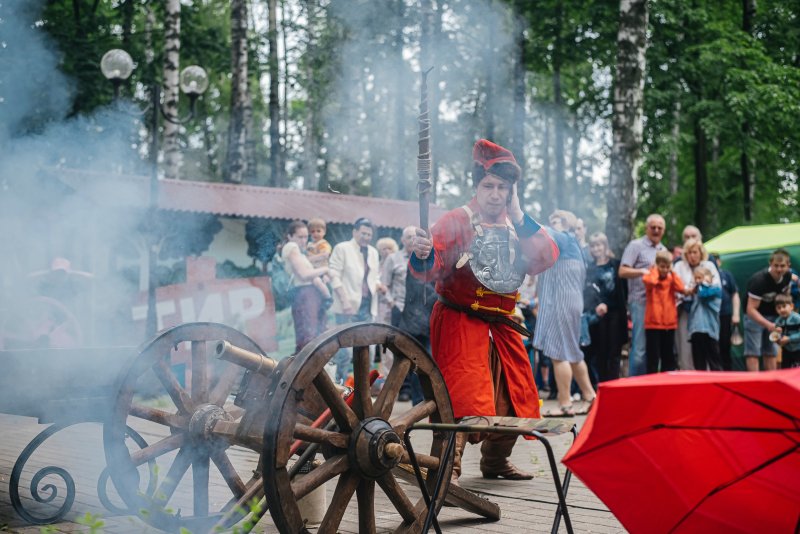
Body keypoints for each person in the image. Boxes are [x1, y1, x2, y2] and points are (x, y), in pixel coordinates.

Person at [409, 138, 558, 482]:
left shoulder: (518, 224)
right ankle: (448, 466)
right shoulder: (456, 220)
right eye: (488, 186)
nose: (494, 193)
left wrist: (519, 214)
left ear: (511, 192)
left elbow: (545, 258)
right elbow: (431, 266)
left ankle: (495, 460)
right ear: (477, 186)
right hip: (461, 320)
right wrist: (423, 252)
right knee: (463, 397)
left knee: (514, 395)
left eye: (502, 187)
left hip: (503, 325)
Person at [534, 209, 596, 417]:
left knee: (559, 353)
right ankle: (590, 397)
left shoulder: (564, 238)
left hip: (562, 300)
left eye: (557, 220)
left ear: (567, 224)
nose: (552, 224)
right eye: (552, 220)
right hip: (571, 301)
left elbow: (542, 232)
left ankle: (565, 402)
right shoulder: (573, 244)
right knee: (572, 352)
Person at [328, 217, 381, 383]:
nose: (366, 237)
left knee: (368, 348)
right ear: (355, 232)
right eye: (363, 233)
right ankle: (340, 387)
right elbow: (333, 275)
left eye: (369, 234)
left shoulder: (373, 252)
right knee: (345, 350)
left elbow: (374, 277)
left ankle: (363, 387)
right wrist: (344, 301)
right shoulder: (342, 248)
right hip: (348, 306)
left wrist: (380, 285)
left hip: (367, 307)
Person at [619, 214, 667, 376]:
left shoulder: (664, 250)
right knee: (639, 347)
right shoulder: (636, 246)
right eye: (653, 227)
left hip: (659, 306)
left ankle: (649, 385)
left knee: (655, 348)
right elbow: (622, 271)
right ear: (647, 228)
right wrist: (643, 271)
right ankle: (634, 385)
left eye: (659, 228)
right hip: (640, 302)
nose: (656, 230)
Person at [281, 220, 331, 354]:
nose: (304, 240)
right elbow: (304, 275)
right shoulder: (291, 247)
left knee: (317, 334)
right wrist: (325, 269)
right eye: (300, 237)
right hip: (305, 295)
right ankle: (306, 371)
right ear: (290, 237)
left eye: (305, 237)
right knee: (308, 337)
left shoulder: (301, 253)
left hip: (312, 295)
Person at [585, 232, 627, 382]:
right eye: (593, 246)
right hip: (597, 314)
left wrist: (612, 305)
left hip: (615, 312)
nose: (596, 249)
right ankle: (603, 385)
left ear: (605, 246)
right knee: (600, 351)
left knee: (614, 351)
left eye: (599, 245)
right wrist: (596, 305)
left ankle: (614, 384)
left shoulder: (616, 264)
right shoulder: (589, 268)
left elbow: (622, 289)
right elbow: (588, 290)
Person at [673, 239, 721, 370]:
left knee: (711, 349)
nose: (692, 256)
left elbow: (716, 288)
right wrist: (687, 292)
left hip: (707, 314)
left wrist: (698, 290)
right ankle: (688, 375)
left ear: (700, 253)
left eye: (695, 252)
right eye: (689, 253)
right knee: (687, 347)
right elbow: (676, 289)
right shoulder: (679, 266)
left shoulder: (709, 265)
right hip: (686, 312)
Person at [744, 248, 794, 372]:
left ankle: (771, 382)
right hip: (755, 317)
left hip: (774, 317)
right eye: (776, 265)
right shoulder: (759, 281)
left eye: (782, 266)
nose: (779, 269)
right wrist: (768, 325)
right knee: (753, 351)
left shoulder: (788, 276)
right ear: (770, 264)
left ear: (788, 266)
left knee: (771, 351)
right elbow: (750, 309)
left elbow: (785, 297)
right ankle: (754, 383)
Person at [381, 227, 416, 401]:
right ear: (402, 240)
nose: (412, 240)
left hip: (417, 312)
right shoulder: (392, 259)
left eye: (415, 237)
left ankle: (418, 389)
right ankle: (404, 388)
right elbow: (384, 284)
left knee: (416, 349)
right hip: (399, 309)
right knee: (400, 349)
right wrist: (391, 302)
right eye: (409, 237)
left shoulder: (421, 258)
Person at [642, 250, 685, 374]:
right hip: (653, 323)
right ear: (656, 265)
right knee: (653, 357)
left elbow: (681, 288)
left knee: (668, 356)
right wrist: (655, 270)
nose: (665, 270)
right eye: (662, 266)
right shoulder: (650, 275)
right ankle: (651, 384)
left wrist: (672, 272)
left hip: (669, 323)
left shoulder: (671, 279)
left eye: (667, 267)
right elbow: (651, 282)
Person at [688, 266, 723, 371]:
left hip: (710, 331)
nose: (698, 281)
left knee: (714, 361)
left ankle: (718, 384)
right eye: (696, 278)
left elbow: (704, 294)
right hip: (696, 330)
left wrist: (703, 284)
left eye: (701, 277)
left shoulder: (715, 289)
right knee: (698, 362)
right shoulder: (697, 292)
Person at [711, 253, 741, 370]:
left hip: (725, 314)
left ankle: (727, 371)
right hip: (711, 316)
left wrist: (736, 314)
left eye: (716, 259)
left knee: (725, 344)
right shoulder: (706, 275)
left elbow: (735, 294)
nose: (714, 262)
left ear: (720, 261)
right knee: (713, 345)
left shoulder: (726, 275)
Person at [306, 217, 334, 300]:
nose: (315, 234)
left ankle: (327, 297)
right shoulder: (309, 244)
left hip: (321, 268)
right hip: (312, 269)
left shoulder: (323, 244)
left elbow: (324, 255)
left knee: (319, 281)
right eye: (312, 231)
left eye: (318, 231)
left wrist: (309, 259)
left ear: (324, 232)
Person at [375, 237, 398, 324]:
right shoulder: (377, 264)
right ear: (380, 251)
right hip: (378, 300)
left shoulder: (396, 265)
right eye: (384, 249)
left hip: (392, 301)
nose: (387, 251)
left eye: (390, 248)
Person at [774, 294, 800, 368]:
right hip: (786, 350)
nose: (782, 310)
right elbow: (776, 337)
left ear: (791, 306)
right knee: (785, 369)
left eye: (784, 306)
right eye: (779, 308)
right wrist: (777, 336)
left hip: (798, 350)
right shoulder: (778, 321)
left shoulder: (797, 318)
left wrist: (789, 339)